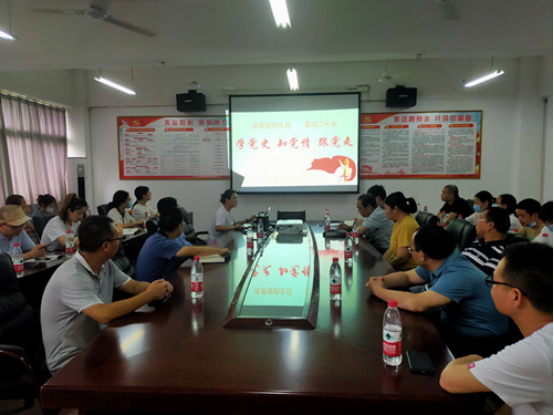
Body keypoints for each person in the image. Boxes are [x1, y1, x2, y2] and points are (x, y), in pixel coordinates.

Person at [41, 216, 174, 374]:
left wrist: (159, 286)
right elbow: (103, 314)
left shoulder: (104, 263)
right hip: (69, 361)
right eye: (118, 238)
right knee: (142, 369)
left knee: (149, 357)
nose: (120, 242)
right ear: (105, 245)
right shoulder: (72, 277)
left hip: (97, 344)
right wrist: (149, 295)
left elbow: (133, 286)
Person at [440, 243, 553, 415]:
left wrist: (477, 358)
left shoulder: (536, 353)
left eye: (493, 282)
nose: (490, 287)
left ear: (515, 296)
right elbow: (521, 398)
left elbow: (449, 379)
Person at [368, 225, 510, 357]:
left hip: (479, 341)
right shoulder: (439, 259)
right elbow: (407, 277)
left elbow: (417, 303)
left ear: (422, 255)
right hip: (454, 325)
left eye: (412, 250)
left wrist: (378, 290)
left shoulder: (458, 275)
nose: (411, 253)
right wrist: (382, 281)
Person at [135, 208, 231, 282]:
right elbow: (194, 251)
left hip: (159, 281)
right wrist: (221, 251)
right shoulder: (163, 242)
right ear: (178, 227)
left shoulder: (161, 235)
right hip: (150, 289)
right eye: (183, 222)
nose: (184, 224)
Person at [462, 207, 521, 276]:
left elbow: (479, 279)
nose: (476, 222)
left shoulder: (500, 255)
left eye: (479, 218)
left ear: (490, 225)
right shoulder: (477, 242)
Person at [382, 192, 419, 271]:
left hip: (408, 270)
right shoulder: (399, 222)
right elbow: (391, 250)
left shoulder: (406, 225)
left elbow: (402, 257)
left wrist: (385, 269)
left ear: (395, 209)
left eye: (386, 208)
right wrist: (382, 263)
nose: (384, 212)